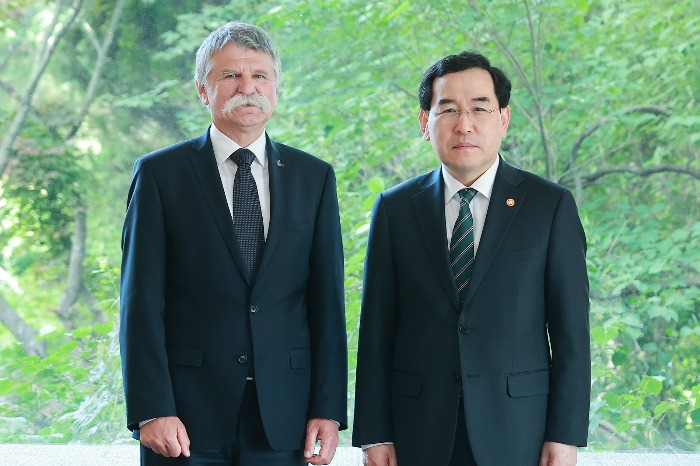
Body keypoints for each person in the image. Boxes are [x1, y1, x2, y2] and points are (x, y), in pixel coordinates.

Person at [119, 22, 347, 466]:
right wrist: (152, 408)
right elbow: (140, 303)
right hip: (185, 417)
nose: (248, 88)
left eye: (260, 76)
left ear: (276, 88)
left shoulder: (313, 178)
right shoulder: (160, 176)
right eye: (231, 76)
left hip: (285, 417)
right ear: (204, 91)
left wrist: (329, 408)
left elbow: (326, 303)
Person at [352, 51, 590, 466]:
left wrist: (565, 435)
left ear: (503, 119)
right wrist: (374, 433)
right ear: (426, 123)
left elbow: (571, 333)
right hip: (418, 428)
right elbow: (376, 328)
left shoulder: (549, 206)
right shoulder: (395, 208)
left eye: (480, 108)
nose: (464, 124)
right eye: (448, 110)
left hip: (519, 429)